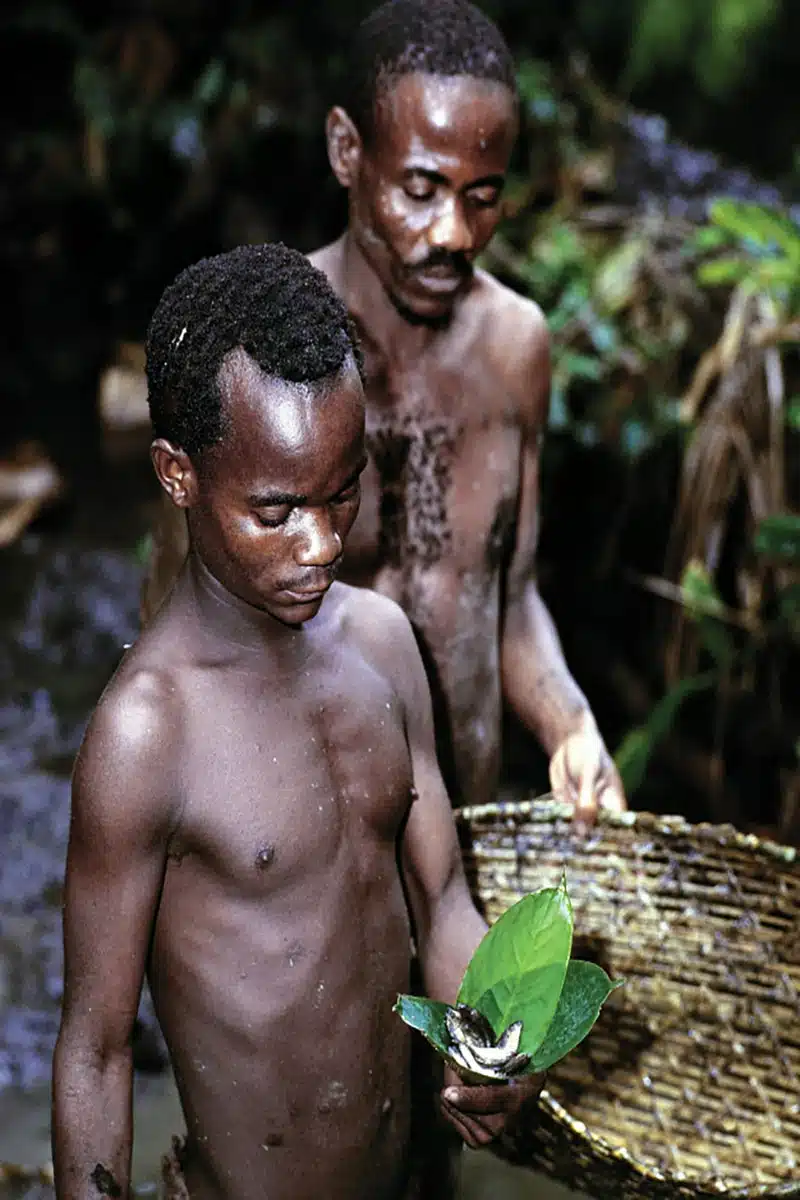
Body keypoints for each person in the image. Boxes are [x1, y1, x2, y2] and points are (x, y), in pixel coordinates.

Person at [52, 243, 542, 1200]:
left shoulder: (385, 645)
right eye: (276, 511)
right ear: (179, 475)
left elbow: (439, 901)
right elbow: (97, 1053)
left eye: (341, 492)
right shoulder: (149, 737)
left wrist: (490, 1043)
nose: (321, 545)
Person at [140, 0, 626, 824]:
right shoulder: (248, 349)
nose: (454, 233)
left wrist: (569, 723)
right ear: (346, 152)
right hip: (298, 856)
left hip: (466, 827)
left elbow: (506, 595)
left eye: (483, 196)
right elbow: (166, 637)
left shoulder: (518, 351)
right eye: (421, 189)